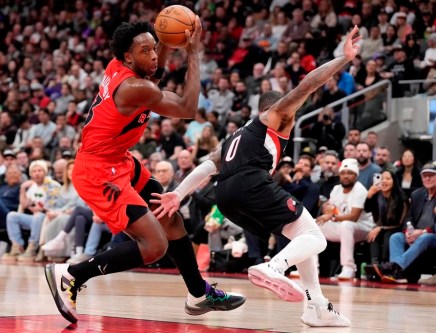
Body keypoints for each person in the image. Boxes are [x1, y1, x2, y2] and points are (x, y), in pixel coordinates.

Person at [151, 26, 364, 327]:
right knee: (315, 237)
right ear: (276, 108)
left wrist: (178, 193)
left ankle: (316, 305)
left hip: (226, 195)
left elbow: (209, 166)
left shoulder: (235, 136)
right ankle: (275, 267)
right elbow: (305, 86)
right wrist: (342, 59)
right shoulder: (277, 117)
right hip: (250, 183)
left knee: (299, 235)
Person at [44, 19, 245, 324]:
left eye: (154, 48)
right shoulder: (136, 88)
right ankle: (72, 274)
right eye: (145, 50)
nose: (153, 56)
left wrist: (164, 38)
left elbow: (156, 69)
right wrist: (193, 53)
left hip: (119, 159)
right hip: (99, 173)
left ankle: (198, 293)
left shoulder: (123, 66)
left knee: (170, 215)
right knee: (154, 246)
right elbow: (188, 108)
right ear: (127, 56)